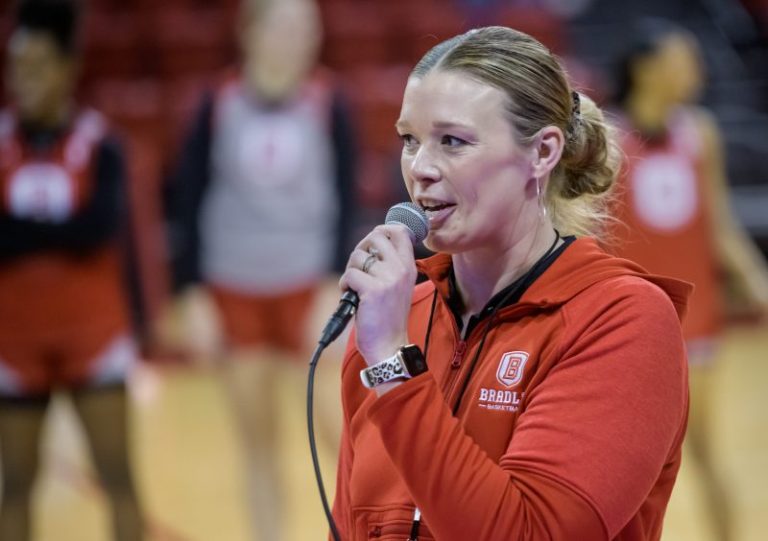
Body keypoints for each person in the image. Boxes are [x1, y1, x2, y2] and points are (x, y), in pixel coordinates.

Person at [332, 26, 692, 540]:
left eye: (452, 141)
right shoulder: (396, 316)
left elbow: (529, 532)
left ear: (542, 152)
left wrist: (394, 363)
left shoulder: (623, 320)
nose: (420, 168)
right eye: (409, 139)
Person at [165, 0, 355, 538]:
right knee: (259, 445)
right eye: (288, 26)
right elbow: (186, 201)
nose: (302, 39)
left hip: (309, 288)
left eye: (309, 29)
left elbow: (346, 198)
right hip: (235, 288)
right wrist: (192, 293)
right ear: (250, 32)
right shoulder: (216, 102)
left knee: (343, 438)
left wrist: (332, 284)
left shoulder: (329, 100)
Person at [608, 18, 768, 541]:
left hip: (694, 320)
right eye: (683, 61)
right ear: (646, 70)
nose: (696, 72)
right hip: (626, 327)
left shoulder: (700, 133)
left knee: (705, 449)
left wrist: (757, 282)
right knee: (622, 462)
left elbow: (719, 224)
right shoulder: (607, 142)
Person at [0, 1, 146, 540]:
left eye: (38, 66)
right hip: (15, 340)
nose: (24, 79)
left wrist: (21, 232)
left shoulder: (100, 144)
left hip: (93, 334)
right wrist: (61, 229)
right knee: (15, 486)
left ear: (67, 68)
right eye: (17, 66)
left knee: (119, 480)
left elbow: (98, 229)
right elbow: (75, 229)